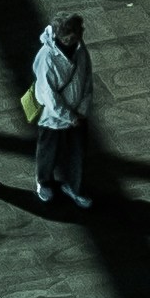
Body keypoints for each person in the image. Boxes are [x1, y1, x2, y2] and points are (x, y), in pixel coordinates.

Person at [25, 12, 98, 216]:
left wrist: (82, 109)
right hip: (53, 117)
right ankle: (44, 182)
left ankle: (74, 186)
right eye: (74, 34)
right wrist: (70, 116)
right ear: (62, 36)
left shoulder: (80, 50)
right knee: (48, 150)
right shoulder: (47, 57)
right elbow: (48, 95)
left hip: (78, 114)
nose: (79, 35)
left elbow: (87, 79)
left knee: (78, 152)